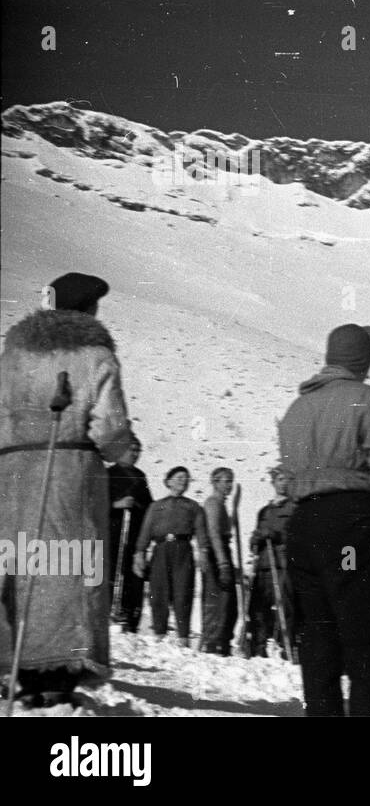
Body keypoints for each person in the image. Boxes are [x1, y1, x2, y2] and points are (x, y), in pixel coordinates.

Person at [0, 272, 134, 707]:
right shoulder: (96, 357)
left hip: (13, 473)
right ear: (88, 309)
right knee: (68, 565)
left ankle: (14, 660)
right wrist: (122, 451)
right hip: (71, 470)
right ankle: (58, 668)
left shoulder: (13, 355)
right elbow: (110, 427)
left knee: (20, 560)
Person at [279, 323, 370, 717]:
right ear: (363, 359)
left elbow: (288, 472)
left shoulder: (298, 407)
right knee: (366, 630)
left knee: (318, 634)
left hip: (303, 525)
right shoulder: (367, 399)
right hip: (350, 528)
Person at [133, 467, 209, 645]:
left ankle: (183, 636)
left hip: (183, 550)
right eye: (178, 477)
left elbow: (201, 533)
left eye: (186, 478)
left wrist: (203, 552)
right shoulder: (156, 506)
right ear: (168, 481)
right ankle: (159, 632)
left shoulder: (193, 507)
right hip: (160, 550)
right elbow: (145, 532)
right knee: (158, 591)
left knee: (183, 591)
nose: (183, 481)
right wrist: (139, 553)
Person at [246, 466, 297, 658]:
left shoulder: (294, 509)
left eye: (286, 480)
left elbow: (296, 536)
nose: (282, 483)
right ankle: (259, 648)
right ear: (273, 483)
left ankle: (287, 648)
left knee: (285, 607)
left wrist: (276, 535)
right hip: (264, 565)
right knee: (258, 607)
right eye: (279, 479)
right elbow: (256, 535)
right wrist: (255, 540)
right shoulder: (264, 511)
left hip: (283, 564)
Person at [107, 436, 153, 633]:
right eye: (131, 449)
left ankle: (129, 619)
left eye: (138, 450)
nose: (135, 454)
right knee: (110, 573)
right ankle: (108, 613)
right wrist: (117, 504)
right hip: (112, 532)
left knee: (133, 577)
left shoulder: (140, 476)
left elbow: (149, 507)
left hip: (134, 534)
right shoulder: (108, 474)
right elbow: (93, 502)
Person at [200, 467, 237, 655]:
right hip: (217, 553)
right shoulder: (213, 503)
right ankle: (213, 642)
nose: (230, 485)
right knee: (218, 600)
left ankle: (222, 641)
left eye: (231, 481)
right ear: (215, 482)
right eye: (226, 481)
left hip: (222, 551)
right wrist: (223, 563)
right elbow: (213, 533)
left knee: (228, 601)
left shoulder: (221, 504)